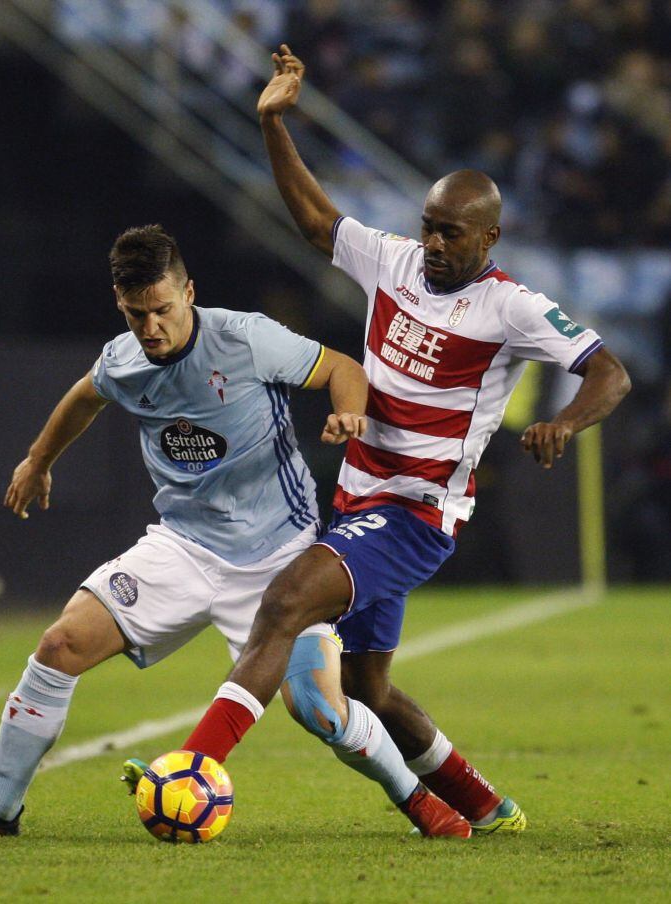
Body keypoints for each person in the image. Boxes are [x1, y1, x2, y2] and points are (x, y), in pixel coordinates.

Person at [175, 45, 632, 832]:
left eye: (451, 234)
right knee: (366, 692)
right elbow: (317, 219)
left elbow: (611, 375)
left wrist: (563, 421)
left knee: (284, 604)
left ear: (488, 240)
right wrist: (273, 123)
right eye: (427, 227)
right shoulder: (391, 262)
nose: (433, 244)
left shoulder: (512, 307)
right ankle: (483, 806)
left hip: (416, 514)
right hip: (358, 497)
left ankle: (188, 771)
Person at [0, 223, 472, 839]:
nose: (150, 328)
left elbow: (341, 366)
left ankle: (418, 801)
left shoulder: (247, 338)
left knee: (320, 708)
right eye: (135, 314)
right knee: (59, 646)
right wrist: (38, 460)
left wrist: (348, 412)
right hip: (182, 546)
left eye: (162, 311)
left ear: (189, 294)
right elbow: (84, 397)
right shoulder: (124, 360)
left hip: (279, 558)